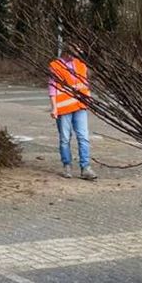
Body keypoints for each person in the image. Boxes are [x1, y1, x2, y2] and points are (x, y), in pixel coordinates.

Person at [49, 45, 97, 181]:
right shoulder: (55, 66)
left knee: (83, 137)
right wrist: (54, 108)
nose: (76, 56)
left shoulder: (81, 65)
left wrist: (89, 101)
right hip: (64, 108)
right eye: (74, 53)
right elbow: (52, 88)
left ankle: (85, 167)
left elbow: (85, 85)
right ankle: (67, 165)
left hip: (80, 106)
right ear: (66, 52)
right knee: (65, 138)